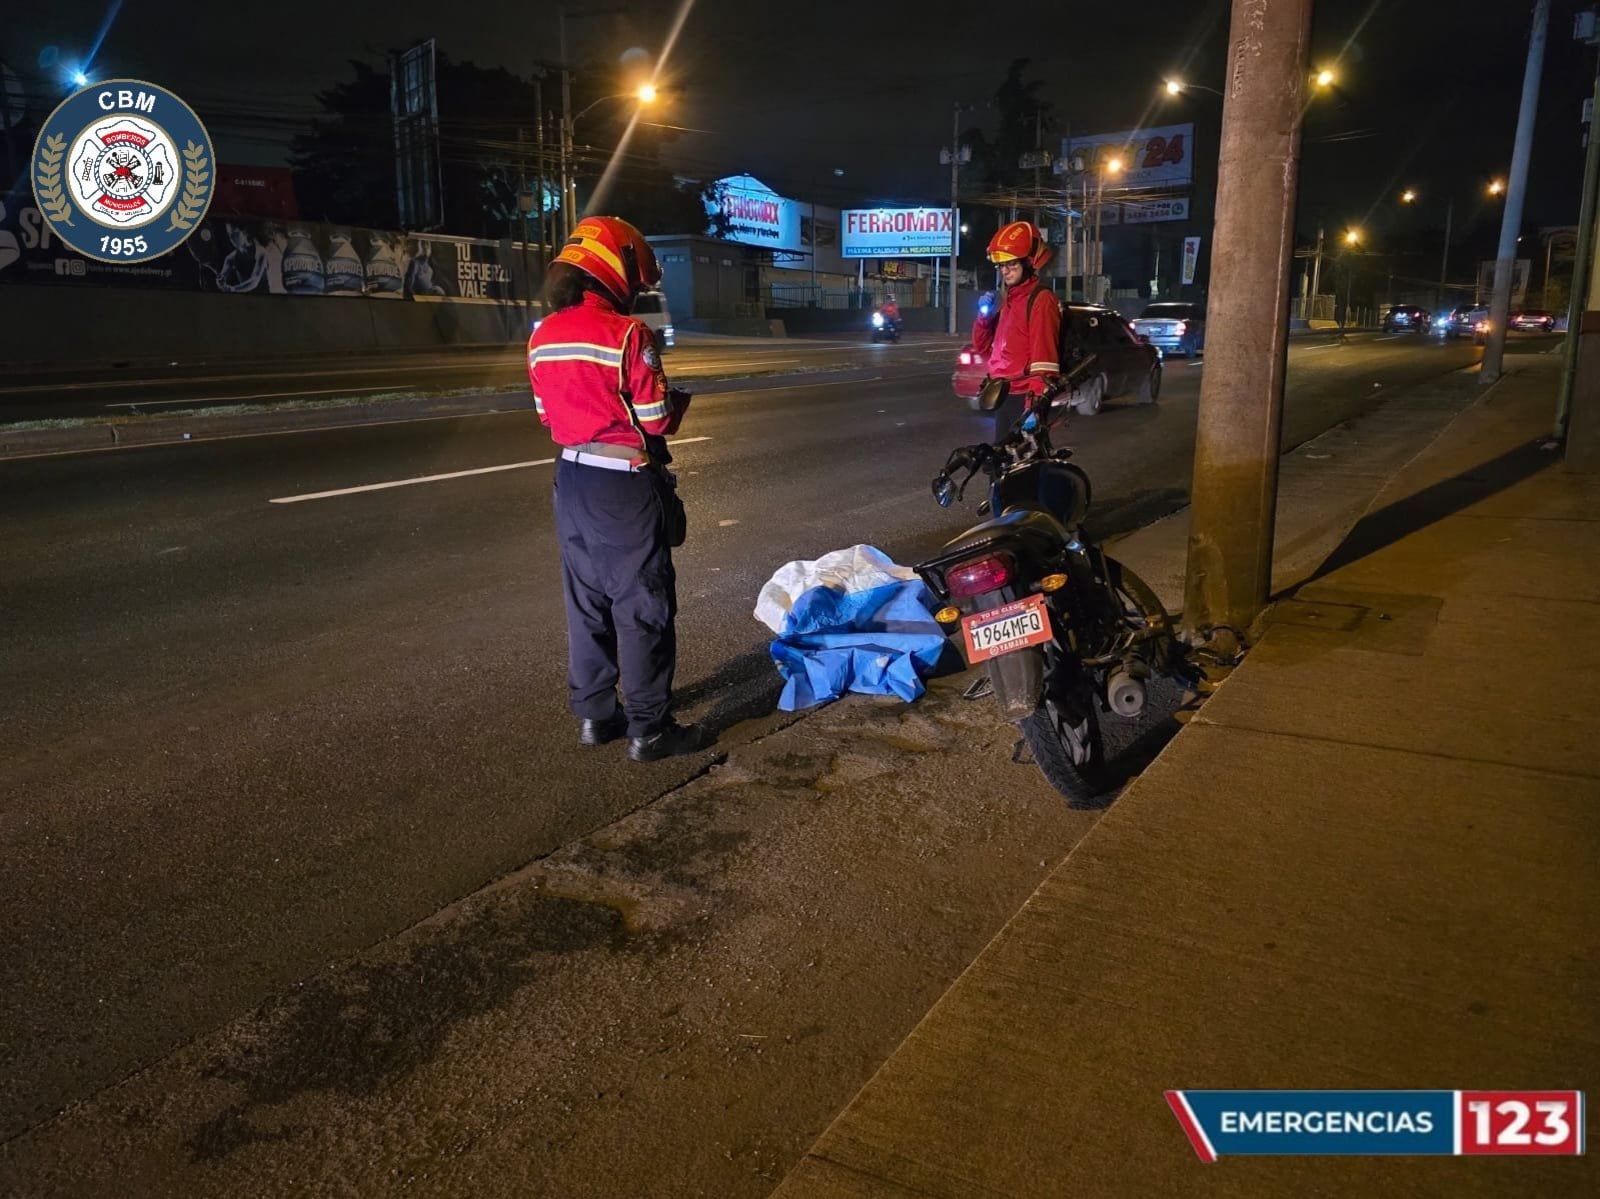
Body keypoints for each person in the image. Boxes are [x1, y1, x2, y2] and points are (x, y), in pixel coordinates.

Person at [527, 216, 705, 763]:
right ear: (617, 271)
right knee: (641, 606)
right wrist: (677, 399)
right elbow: (653, 421)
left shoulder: (541, 335)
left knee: (586, 604)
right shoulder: (629, 333)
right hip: (623, 486)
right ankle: (649, 730)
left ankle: (595, 717)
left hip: (571, 482)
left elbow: (544, 415)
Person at [971, 220, 1062, 438]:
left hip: (1024, 396)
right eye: (1002, 265)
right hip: (1003, 392)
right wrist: (984, 318)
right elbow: (984, 348)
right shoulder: (1010, 301)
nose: (1005, 271)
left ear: (1029, 263)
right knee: (1002, 464)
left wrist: (1032, 407)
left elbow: (1044, 360)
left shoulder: (1041, 300)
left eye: (1012, 264)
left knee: (1026, 466)